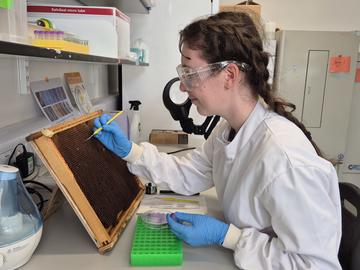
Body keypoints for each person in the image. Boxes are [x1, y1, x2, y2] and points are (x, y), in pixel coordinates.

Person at [93, 11, 342, 270]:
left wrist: (229, 237)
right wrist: (132, 152)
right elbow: (190, 173)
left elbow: (315, 265)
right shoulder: (229, 130)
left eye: (190, 74)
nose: (182, 86)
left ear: (230, 75)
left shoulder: (284, 158)